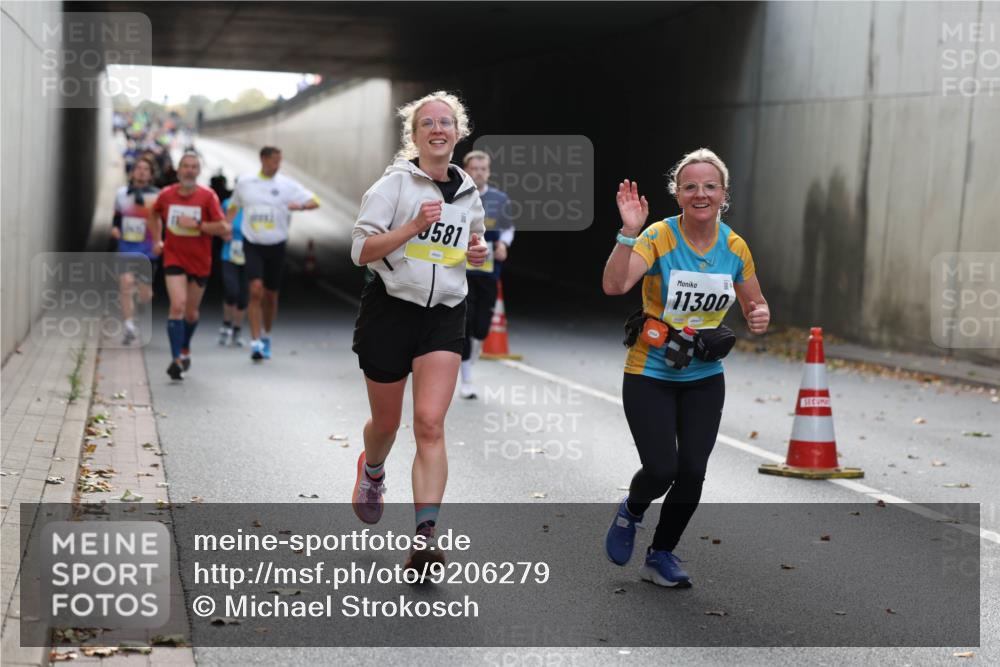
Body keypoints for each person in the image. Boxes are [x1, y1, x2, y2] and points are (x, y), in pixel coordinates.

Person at [602, 148, 770, 587]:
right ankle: (632, 510)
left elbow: (755, 302)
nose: (701, 193)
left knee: (693, 471)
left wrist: (759, 315)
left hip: (703, 377)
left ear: (724, 194)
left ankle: (661, 555)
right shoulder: (658, 236)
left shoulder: (734, 246)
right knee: (662, 469)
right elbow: (615, 284)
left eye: (709, 186)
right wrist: (628, 232)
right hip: (650, 372)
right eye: (690, 186)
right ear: (677, 194)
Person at [349, 91, 488, 571]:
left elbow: (473, 244)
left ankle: (426, 536)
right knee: (386, 425)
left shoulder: (469, 192)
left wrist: (476, 254)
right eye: (427, 122)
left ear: (457, 132)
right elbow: (361, 250)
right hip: (391, 310)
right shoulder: (392, 186)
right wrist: (411, 227)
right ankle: (372, 469)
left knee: (429, 423)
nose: (437, 128)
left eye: (445, 122)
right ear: (414, 136)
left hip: (444, 313)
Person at [227, 147, 319, 361]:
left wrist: (302, 206)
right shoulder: (245, 183)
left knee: (271, 295)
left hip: (276, 245)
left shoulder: (286, 185)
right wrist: (226, 226)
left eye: (279, 161)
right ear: (263, 159)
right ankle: (255, 342)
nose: (277, 165)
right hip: (253, 243)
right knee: (256, 290)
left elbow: (316, 200)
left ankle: (267, 335)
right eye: (273, 161)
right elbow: (233, 206)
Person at [148, 151, 229, 380]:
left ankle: (184, 347)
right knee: (178, 306)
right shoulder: (166, 195)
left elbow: (222, 227)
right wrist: (157, 240)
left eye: (194, 167)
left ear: (199, 171)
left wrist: (197, 224)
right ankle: (176, 360)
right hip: (174, 257)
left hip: (200, 261)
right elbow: (153, 215)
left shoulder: (207, 197)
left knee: (191, 314)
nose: (190, 170)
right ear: (178, 169)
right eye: (186, 166)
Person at [457, 150, 515, 400]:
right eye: (474, 168)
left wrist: (503, 244)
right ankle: (466, 379)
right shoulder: (457, 196)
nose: (479, 172)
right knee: (465, 323)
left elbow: (509, 228)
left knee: (481, 327)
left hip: (489, 271)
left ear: (488, 172)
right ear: (466, 170)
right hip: (461, 270)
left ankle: (475, 349)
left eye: (483, 168)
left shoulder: (500, 199)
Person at [110, 156, 160, 345]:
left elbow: (160, 222)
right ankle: (129, 325)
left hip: (147, 250)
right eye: (138, 168)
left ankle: (137, 310)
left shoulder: (157, 196)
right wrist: (114, 228)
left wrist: (159, 241)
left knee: (145, 294)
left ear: (151, 175)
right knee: (125, 282)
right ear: (133, 172)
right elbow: (117, 216)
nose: (141, 172)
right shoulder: (122, 193)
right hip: (126, 247)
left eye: (146, 169)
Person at [218, 187, 248, 347]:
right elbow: (219, 223)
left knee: (243, 296)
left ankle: (237, 330)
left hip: (249, 255)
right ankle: (226, 324)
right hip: (229, 254)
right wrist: (224, 233)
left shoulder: (253, 206)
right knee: (232, 291)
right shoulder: (228, 204)